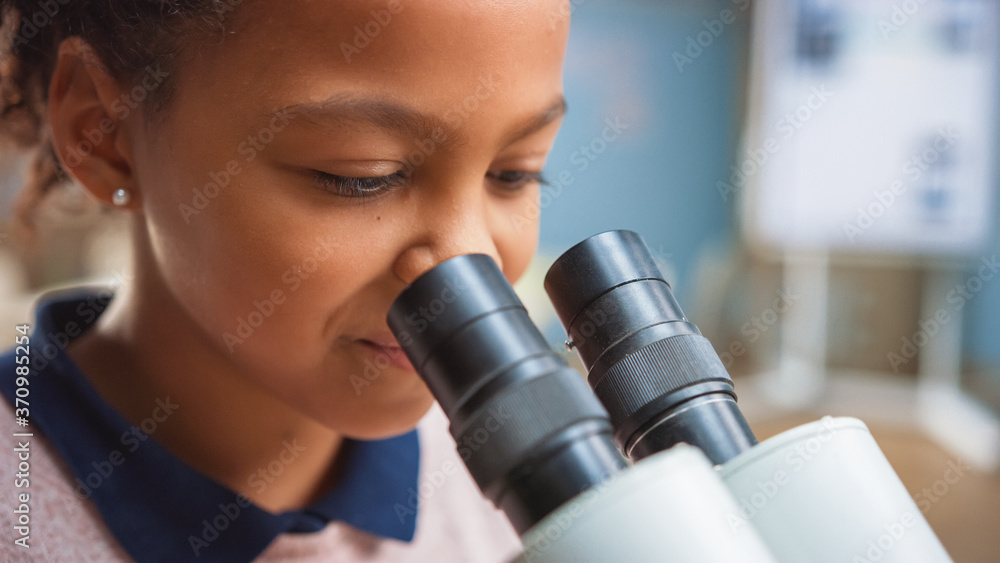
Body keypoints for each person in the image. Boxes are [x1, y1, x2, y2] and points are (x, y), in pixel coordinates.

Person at [0, 0, 570, 560]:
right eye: (362, 175)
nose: (466, 267)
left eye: (514, 173)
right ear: (102, 133)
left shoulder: (521, 482)